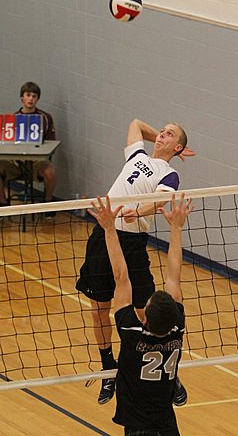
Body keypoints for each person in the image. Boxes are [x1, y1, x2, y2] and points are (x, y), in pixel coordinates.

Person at [76, 119, 194, 405]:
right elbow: (135, 124)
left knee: (146, 312)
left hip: (132, 240)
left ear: (178, 146)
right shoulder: (137, 155)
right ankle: (109, 368)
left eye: (170, 134)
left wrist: (136, 210)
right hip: (104, 233)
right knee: (98, 309)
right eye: (162, 131)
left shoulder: (170, 174)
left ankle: (168, 369)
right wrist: (164, 138)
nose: (162, 135)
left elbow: (160, 202)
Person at [88, 193, 193, 436]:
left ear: (144, 319)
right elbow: (173, 277)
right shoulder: (176, 331)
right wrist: (176, 229)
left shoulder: (132, 333)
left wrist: (109, 229)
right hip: (167, 425)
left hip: (138, 429)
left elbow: (120, 277)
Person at [0, 82, 57, 217]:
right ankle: (3, 204)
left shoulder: (45, 118)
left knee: (50, 171)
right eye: (28, 95)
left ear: (37, 99)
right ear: (22, 97)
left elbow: (51, 143)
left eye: (34, 96)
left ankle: (48, 203)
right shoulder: (12, 119)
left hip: (36, 163)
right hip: (15, 162)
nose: (31, 98)